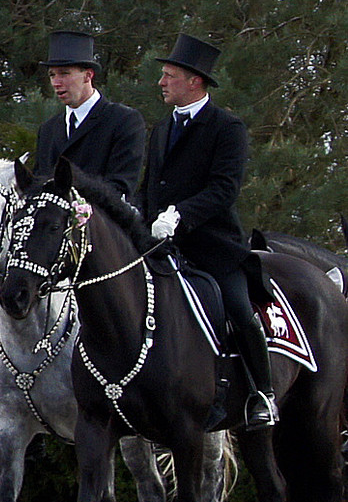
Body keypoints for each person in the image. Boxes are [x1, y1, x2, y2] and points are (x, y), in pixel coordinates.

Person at [139, 33, 273, 429]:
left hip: (214, 245)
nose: (161, 82)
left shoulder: (226, 126)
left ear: (194, 80)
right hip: (162, 244)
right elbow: (151, 184)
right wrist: (140, 216)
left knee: (238, 309)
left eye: (168, 75)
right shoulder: (161, 130)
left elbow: (224, 188)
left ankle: (261, 393)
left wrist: (180, 214)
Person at [33, 30, 146, 201]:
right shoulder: (48, 129)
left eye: (64, 73)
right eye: (52, 75)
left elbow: (121, 185)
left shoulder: (123, 120)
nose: (56, 82)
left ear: (88, 75)